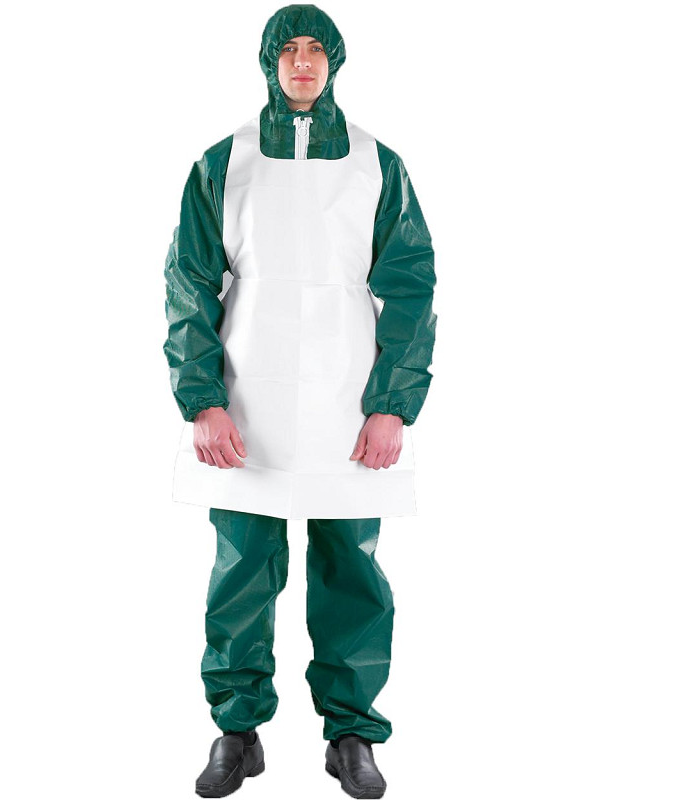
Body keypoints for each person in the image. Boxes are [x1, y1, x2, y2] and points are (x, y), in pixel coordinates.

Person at [163, 5, 437, 797]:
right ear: (270, 62)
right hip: (245, 406)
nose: (305, 62)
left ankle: (351, 733)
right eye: (291, 50)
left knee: (351, 571)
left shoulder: (378, 165)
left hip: (349, 405)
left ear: (336, 61)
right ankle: (237, 730)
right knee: (242, 572)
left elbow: (411, 287)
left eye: (318, 49)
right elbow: (188, 285)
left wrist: (392, 404)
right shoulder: (225, 163)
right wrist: (202, 399)